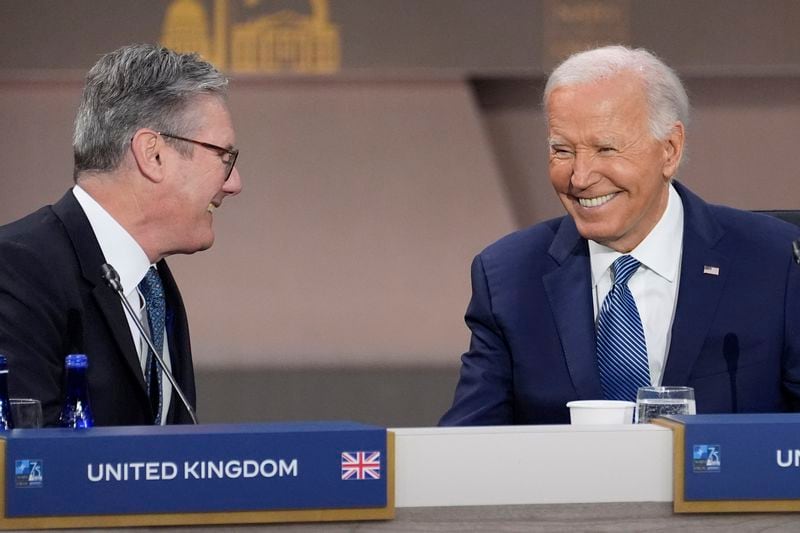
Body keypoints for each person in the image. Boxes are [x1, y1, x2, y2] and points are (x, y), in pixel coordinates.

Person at [440, 45, 800, 426]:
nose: (580, 177)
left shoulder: (774, 262)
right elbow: (465, 443)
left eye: (605, 149)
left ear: (670, 150)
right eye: (562, 151)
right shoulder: (508, 277)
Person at [0, 44, 242, 426]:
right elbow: (26, 467)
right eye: (224, 157)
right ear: (153, 154)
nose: (234, 184)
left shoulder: (154, 285)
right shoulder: (15, 271)